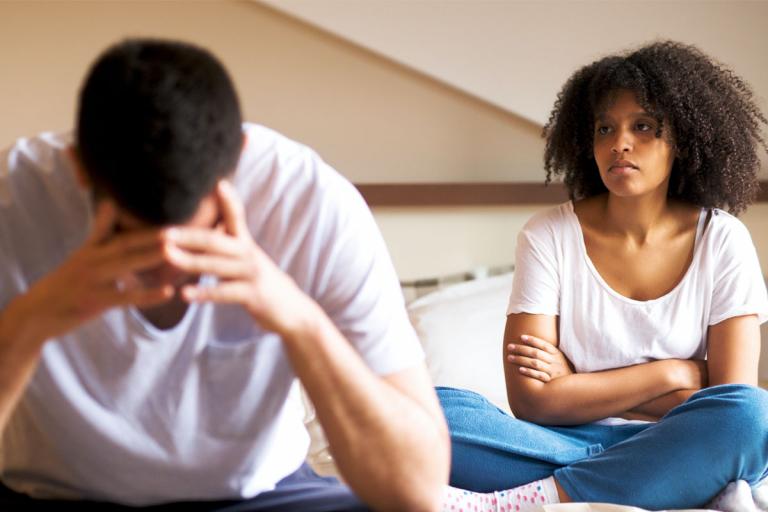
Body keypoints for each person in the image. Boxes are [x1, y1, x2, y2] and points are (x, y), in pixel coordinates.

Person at [0, 38, 450, 511]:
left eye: (200, 236)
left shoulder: (311, 204)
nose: (171, 269)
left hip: (259, 496)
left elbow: (416, 490)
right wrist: (35, 318)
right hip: (56, 493)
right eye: (127, 237)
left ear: (238, 155)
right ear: (79, 168)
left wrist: (297, 319)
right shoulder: (12, 202)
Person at [437, 40, 768, 511]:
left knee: (752, 418)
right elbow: (531, 402)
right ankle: (637, 483)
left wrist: (576, 386)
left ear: (684, 140)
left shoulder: (723, 239)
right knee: (429, 411)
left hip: (678, 443)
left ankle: (537, 496)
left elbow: (728, 398)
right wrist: (671, 373)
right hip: (556, 443)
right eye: (605, 128)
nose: (620, 143)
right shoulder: (547, 234)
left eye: (644, 127)